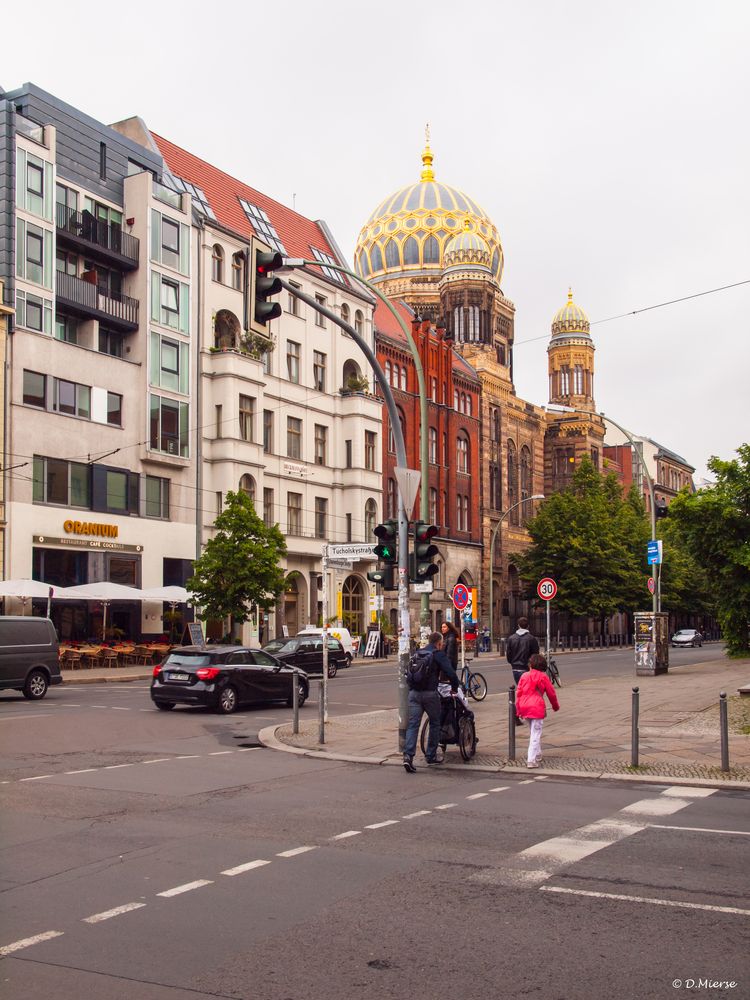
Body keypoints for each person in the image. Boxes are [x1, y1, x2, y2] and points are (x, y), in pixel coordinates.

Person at [403, 632, 461, 773]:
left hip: (413, 694)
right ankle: (430, 755)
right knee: (435, 722)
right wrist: (454, 688)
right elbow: (451, 673)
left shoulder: (418, 652)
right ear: (439, 643)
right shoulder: (438, 654)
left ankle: (408, 756)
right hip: (430, 694)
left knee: (413, 725)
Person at [515, 652, 559, 768]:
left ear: (531, 665)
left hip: (524, 706)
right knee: (535, 734)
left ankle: (538, 754)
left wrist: (518, 709)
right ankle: (531, 760)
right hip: (536, 707)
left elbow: (518, 693)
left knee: (533, 732)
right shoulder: (543, 677)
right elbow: (551, 693)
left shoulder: (524, 676)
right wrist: (555, 706)